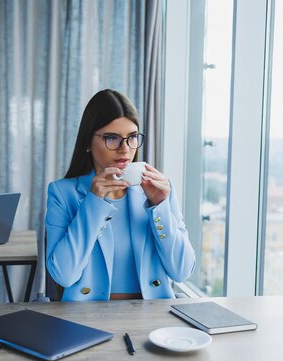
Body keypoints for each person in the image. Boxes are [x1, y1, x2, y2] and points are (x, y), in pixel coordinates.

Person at [45, 89, 196, 303]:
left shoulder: (160, 189)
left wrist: (160, 206)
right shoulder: (63, 193)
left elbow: (182, 271)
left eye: (132, 137)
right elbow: (64, 275)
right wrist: (93, 204)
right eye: (112, 138)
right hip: (87, 318)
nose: (125, 149)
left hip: (152, 316)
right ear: (88, 142)